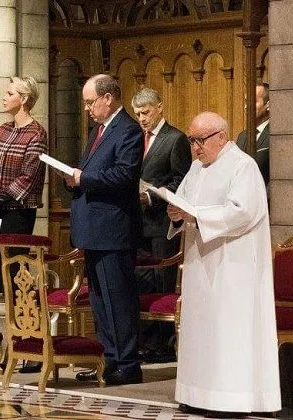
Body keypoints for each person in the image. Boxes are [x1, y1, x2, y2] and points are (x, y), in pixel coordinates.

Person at [166, 112, 280, 417]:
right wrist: (176, 214)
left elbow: (242, 213)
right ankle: (197, 393)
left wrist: (197, 216)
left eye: (199, 140)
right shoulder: (195, 168)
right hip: (200, 262)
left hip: (233, 266)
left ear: (221, 136)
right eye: (191, 140)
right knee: (201, 331)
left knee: (229, 331)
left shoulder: (243, 166)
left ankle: (230, 400)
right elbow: (185, 202)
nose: (195, 148)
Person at [65, 74, 143, 386]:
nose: (86, 108)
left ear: (107, 98)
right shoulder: (99, 130)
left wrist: (84, 179)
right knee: (99, 299)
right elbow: (94, 171)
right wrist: (74, 177)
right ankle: (109, 359)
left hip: (114, 229)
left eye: (89, 101)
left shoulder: (128, 130)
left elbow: (124, 177)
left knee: (118, 299)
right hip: (94, 229)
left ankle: (127, 363)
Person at [0, 76, 47, 373]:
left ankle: (32, 346)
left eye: (10, 93)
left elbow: (28, 177)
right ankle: (14, 344)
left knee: (18, 278)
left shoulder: (36, 133)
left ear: (25, 98)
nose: (4, 98)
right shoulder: (3, 129)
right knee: (4, 282)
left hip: (18, 212)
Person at [131, 88, 191, 364]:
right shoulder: (135, 137)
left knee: (160, 281)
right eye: (138, 114)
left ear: (159, 108)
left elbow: (182, 179)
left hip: (160, 221)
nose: (142, 119)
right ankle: (143, 342)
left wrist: (151, 196)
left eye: (146, 113)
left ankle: (162, 345)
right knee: (140, 281)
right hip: (136, 222)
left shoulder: (175, 139)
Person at [236, 83, 270, 186]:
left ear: (268, 105)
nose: (246, 107)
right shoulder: (243, 136)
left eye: (253, 102)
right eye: (246, 102)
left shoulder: (275, 136)